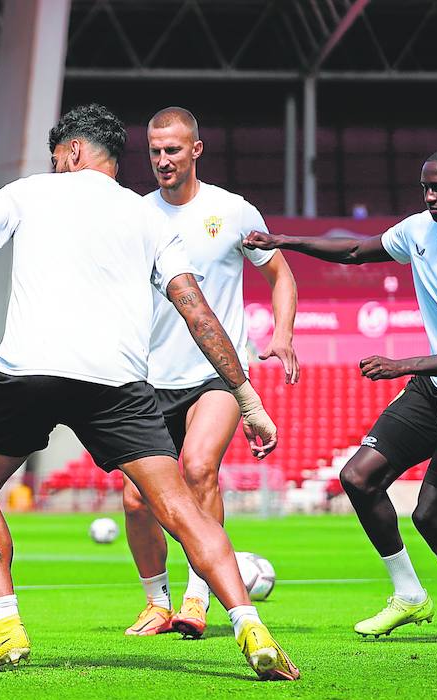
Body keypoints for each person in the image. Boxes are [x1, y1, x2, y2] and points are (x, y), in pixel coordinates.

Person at [0, 103, 298, 680]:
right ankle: (249, 624)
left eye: (58, 156)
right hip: (118, 380)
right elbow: (198, 312)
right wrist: (248, 399)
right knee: (179, 503)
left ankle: (5, 626)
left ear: (73, 152)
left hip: (28, 371)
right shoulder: (148, 217)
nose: (55, 166)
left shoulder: (28, 193)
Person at [244, 146, 437, 645]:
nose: (430, 197)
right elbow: (354, 251)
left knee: (431, 515)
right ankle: (409, 595)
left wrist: (403, 364)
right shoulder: (417, 231)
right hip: (433, 391)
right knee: (359, 477)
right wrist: (283, 240)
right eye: (425, 188)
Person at [121, 107, 301, 638]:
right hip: (149, 376)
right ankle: (156, 601)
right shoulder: (136, 215)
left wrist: (282, 334)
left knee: (199, 469)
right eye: (154, 151)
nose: (162, 161)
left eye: (172, 150)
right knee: (136, 498)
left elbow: (281, 274)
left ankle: (198, 599)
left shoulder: (235, 211)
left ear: (195, 150)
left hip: (216, 375)